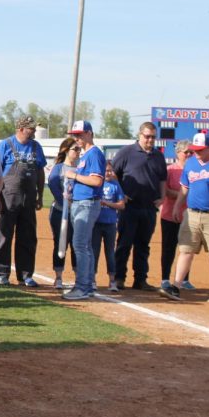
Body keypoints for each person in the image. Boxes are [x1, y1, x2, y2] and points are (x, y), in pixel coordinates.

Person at [160, 133, 209, 303]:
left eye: (200, 150)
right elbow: (184, 188)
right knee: (185, 250)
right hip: (192, 214)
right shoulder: (191, 164)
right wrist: (176, 206)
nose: (196, 153)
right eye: (195, 150)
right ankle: (176, 287)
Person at [111, 122, 168, 290]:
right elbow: (112, 174)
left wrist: (163, 196)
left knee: (143, 245)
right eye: (147, 136)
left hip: (149, 207)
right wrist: (120, 193)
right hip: (129, 207)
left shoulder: (158, 156)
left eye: (152, 137)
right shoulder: (126, 152)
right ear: (140, 135)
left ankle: (140, 280)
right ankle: (119, 278)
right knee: (124, 243)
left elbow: (162, 178)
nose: (150, 140)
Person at [0, 115, 46, 287]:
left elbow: (40, 172)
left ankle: (25, 275)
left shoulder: (36, 147)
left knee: (28, 237)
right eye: (30, 129)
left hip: (28, 199)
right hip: (8, 198)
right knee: (3, 236)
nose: (33, 132)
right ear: (21, 129)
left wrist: (40, 195)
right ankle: (1, 273)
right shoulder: (5, 145)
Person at [62, 120, 106, 300]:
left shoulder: (94, 154)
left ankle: (82, 286)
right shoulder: (86, 154)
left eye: (79, 134)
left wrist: (74, 175)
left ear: (89, 133)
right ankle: (86, 285)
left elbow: (97, 181)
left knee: (80, 245)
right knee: (84, 246)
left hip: (87, 203)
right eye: (74, 135)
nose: (76, 138)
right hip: (81, 202)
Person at [159, 139, 194, 290]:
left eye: (191, 152)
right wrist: (183, 195)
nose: (189, 155)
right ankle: (165, 278)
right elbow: (165, 191)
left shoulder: (194, 170)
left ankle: (185, 279)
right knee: (168, 247)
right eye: (186, 152)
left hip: (189, 215)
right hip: (169, 214)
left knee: (187, 248)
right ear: (178, 153)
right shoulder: (170, 170)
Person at [46, 138, 79, 289]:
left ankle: (79, 276)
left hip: (78, 212)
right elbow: (53, 185)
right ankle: (58, 276)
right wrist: (64, 202)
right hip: (60, 212)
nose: (78, 152)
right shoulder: (59, 168)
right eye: (75, 149)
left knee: (77, 244)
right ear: (66, 150)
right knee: (61, 242)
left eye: (79, 149)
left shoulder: (81, 167)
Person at [93, 162, 125, 292]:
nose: (108, 173)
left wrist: (106, 203)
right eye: (106, 171)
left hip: (110, 223)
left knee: (110, 252)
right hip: (96, 223)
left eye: (110, 171)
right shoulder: (97, 183)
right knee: (94, 251)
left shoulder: (115, 185)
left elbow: (122, 205)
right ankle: (92, 279)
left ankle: (112, 280)